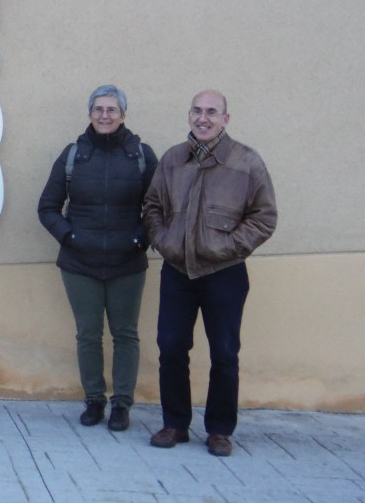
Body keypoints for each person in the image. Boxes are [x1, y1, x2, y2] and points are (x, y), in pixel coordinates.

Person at [143, 89, 277, 457]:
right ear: (189, 115)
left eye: (212, 112)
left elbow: (264, 218)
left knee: (224, 352)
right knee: (171, 348)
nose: (203, 118)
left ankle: (220, 429)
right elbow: (152, 206)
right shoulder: (172, 159)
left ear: (225, 119)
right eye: (197, 111)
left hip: (225, 273)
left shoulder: (246, 161)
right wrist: (164, 240)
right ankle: (175, 424)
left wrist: (227, 247)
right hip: (177, 271)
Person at [37, 85, 157, 432]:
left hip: (127, 261)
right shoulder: (74, 154)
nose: (105, 115)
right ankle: (94, 400)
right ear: (89, 114)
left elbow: (159, 207)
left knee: (125, 334)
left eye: (111, 110)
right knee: (88, 334)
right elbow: (47, 207)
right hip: (80, 263)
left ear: (122, 115)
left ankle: (122, 404)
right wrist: (70, 236)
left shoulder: (142, 155)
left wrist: (139, 239)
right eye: (98, 109)